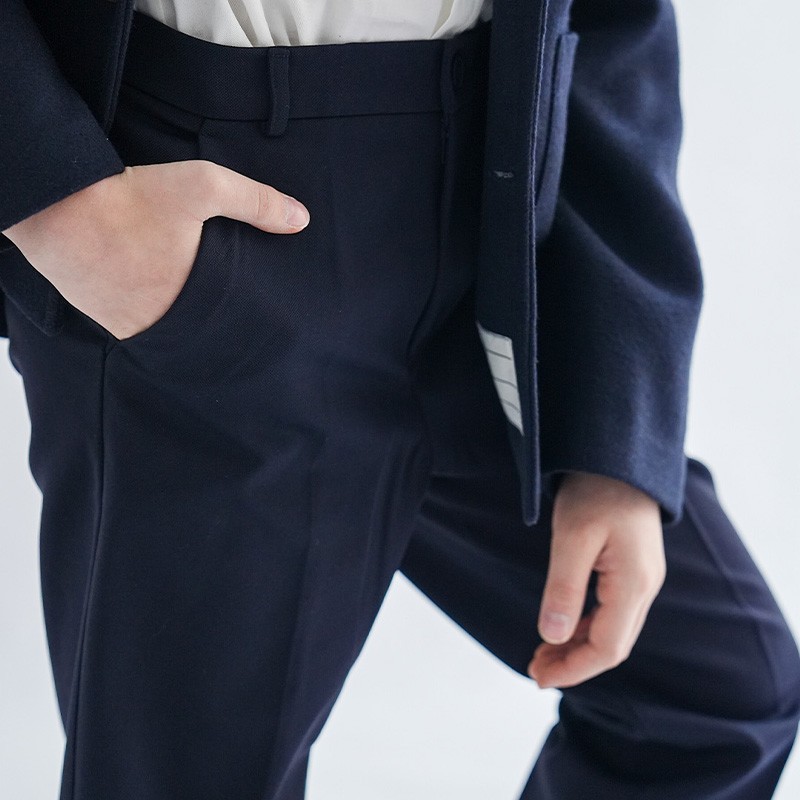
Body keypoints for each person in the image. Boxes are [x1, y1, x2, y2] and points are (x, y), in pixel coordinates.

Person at [1, 1, 798, 798]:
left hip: (500, 214)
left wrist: (614, 433)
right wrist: (54, 196)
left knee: (716, 696)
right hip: (214, 201)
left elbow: (612, 20)